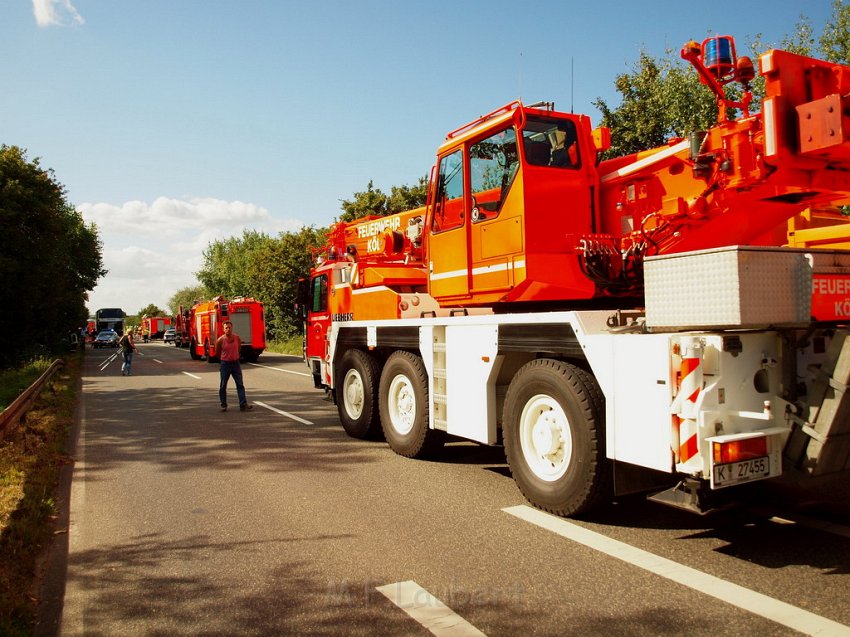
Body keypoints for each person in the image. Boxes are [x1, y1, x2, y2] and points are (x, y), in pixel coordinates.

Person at [215, 320, 252, 412]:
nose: (228, 329)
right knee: (223, 385)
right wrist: (224, 359)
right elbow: (217, 353)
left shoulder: (237, 338)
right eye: (226, 328)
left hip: (235, 363)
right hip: (225, 364)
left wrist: (234, 356)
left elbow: (238, 348)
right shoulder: (220, 340)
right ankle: (223, 405)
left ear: (232, 328)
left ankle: (243, 404)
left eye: (229, 327)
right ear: (223, 329)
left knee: (240, 384)